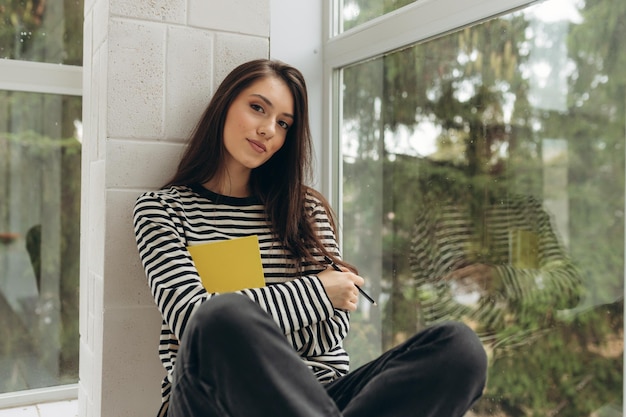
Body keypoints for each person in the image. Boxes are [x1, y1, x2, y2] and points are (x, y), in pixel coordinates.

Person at [133, 59, 487, 417]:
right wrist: (318, 293)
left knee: (459, 349)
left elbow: (332, 331)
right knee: (221, 317)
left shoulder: (305, 211)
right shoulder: (163, 211)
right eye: (258, 108)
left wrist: (254, 329)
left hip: (323, 394)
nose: (268, 129)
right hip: (219, 401)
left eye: (283, 123)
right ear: (224, 105)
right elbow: (193, 320)